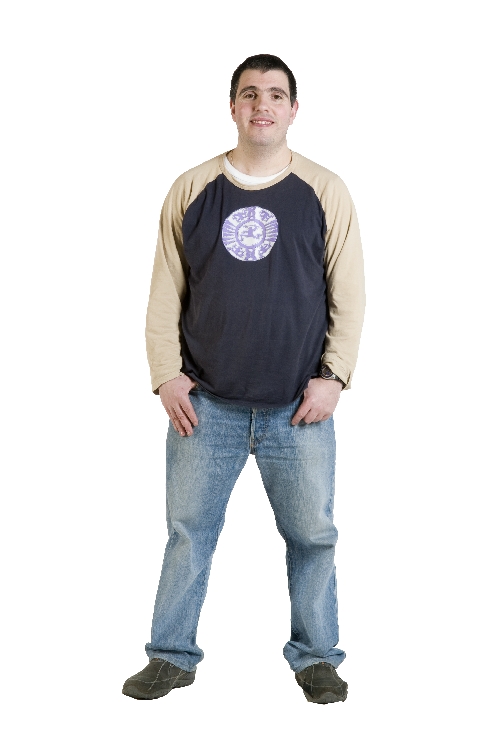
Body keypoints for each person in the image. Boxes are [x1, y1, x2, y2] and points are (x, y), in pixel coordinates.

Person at [122, 54, 365, 704]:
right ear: (233, 106)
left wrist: (334, 377)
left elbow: (349, 293)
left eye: (276, 95)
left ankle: (317, 657)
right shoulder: (192, 188)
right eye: (250, 94)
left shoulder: (325, 190)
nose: (263, 105)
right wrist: (166, 375)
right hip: (205, 406)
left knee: (312, 536)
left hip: (298, 407)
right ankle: (171, 656)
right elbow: (165, 292)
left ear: (293, 109)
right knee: (188, 535)